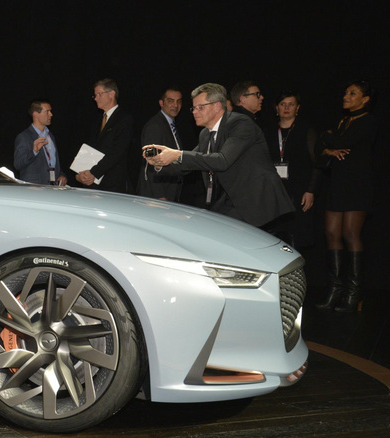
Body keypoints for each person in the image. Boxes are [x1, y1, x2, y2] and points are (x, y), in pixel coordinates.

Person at [143, 82, 293, 229]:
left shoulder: (240, 123)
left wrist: (177, 154)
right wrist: (159, 163)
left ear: (217, 106)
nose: (194, 112)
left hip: (256, 201)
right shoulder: (205, 134)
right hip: (229, 200)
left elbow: (222, 160)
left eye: (200, 107)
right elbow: (189, 164)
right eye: (194, 108)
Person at [315, 80, 377, 312]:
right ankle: (335, 290)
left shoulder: (368, 121)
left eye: (352, 93)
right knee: (331, 233)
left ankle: (353, 293)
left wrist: (328, 139)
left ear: (365, 99)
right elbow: (320, 147)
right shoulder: (342, 121)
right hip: (337, 183)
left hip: (357, 184)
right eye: (346, 92)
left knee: (351, 234)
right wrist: (328, 147)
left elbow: (338, 141)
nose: (346, 96)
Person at [264, 90, 319, 250]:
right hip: (274, 191)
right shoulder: (268, 131)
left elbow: (317, 163)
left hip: (300, 190)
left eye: (291, 104)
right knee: (274, 236)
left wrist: (311, 190)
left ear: (297, 108)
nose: (286, 108)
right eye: (283, 104)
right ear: (276, 108)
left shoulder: (306, 130)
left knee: (298, 235)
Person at [75, 78, 133, 193]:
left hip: (112, 185)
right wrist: (79, 173)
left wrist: (94, 172)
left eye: (99, 94)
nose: (96, 98)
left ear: (111, 94)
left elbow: (117, 151)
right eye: (95, 95)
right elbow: (90, 148)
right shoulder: (97, 120)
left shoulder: (124, 119)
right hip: (93, 184)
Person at [137, 87, 186, 201]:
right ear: (161, 103)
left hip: (169, 192)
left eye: (179, 101)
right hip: (156, 196)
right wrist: (160, 196)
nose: (175, 105)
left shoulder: (170, 124)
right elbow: (151, 163)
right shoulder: (155, 126)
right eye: (170, 101)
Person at [14, 99, 66, 185]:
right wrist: (34, 151)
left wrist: (61, 175)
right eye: (47, 111)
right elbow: (18, 164)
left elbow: (53, 164)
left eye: (50, 111)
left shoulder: (50, 136)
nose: (51, 114)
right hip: (34, 188)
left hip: (52, 187)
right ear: (35, 114)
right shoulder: (24, 137)